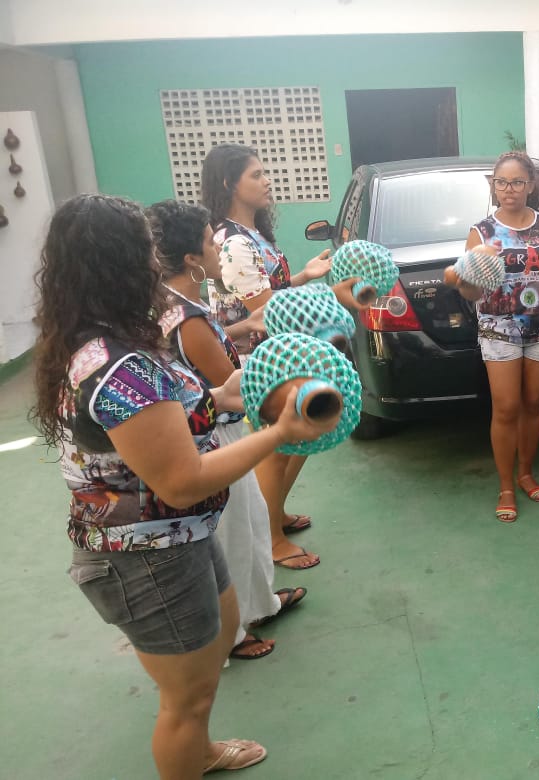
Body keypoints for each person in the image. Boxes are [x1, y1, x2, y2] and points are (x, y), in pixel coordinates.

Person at [31, 194, 336, 777]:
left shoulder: (107, 340)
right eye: (146, 251)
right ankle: (190, 748)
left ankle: (200, 750)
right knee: (186, 701)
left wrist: (229, 391)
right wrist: (281, 432)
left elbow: (175, 414)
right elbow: (182, 481)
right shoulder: (118, 367)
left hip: (177, 540)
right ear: (123, 263)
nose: (156, 261)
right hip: (146, 559)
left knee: (212, 651)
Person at [151, 200, 306, 661]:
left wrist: (244, 326)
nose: (219, 248)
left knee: (251, 517)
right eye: (209, 242)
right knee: (237, 530)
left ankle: (260, 604)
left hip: (211, 429)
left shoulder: (176, 304)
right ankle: (234, 632)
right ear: (191, 259)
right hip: (215, 434)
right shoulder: (189, 318)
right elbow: (229, 383)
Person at [201, 143, 332, 569]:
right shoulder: (234, 242)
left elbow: (267, 293)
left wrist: (303, 276)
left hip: (275, 352)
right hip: (257, 361)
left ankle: (275, 514)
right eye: (256, 175)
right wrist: (327, 298)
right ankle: (272, 539)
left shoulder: (249, 234)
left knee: (297, 439)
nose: (267, 181)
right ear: (229, 183)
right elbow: (265, 308)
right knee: (277, 448)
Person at [445, 151, 539, 522]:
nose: (509, 189)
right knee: (505, 408)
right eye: (501, 182)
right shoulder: (481, 232)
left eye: (517, 182)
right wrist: (463, 283)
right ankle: (506, 486)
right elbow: (471, 290)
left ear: (530, 185)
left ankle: (526, 473)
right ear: (494, 186)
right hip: (498, 330)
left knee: (534, 403)